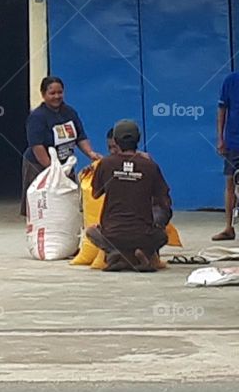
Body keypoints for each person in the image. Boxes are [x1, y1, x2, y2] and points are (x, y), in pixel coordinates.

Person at [87, 119, 172, 272]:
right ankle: (143, 255)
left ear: (116, 141)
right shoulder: (150, 165)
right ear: (138, 139)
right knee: (163, 235)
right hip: (144, 236)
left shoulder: (105, 164)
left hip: (112, 235)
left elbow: (95, 194)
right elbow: (164, 201)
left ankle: (115, 253)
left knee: (91, 231)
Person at [22, 76, 101, 215]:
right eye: (52, 93)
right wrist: (52, 170)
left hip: (65, 164)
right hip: (40, 165)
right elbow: (37, 146)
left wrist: (90, 153)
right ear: (43, 94)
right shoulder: (37, 117)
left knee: (66, 204)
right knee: (42, 206)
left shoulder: (69, 112)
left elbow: (80, 137)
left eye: (60, 92)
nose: (57, 96)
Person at [215, 70, 239, 240]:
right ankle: (228, 227)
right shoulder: (230, 80)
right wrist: (221, 139)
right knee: (230, 183)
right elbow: (222, 110)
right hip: (233, 142)